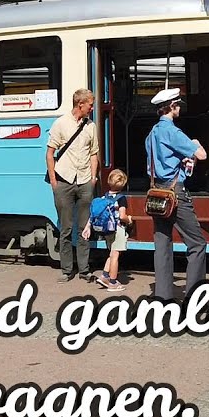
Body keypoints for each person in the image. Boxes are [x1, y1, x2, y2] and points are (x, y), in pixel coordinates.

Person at [145, 87, 208, 303]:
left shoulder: (151, 133)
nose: (180, 107)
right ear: (171, 107)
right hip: (175, 193)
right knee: (197, 243)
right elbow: (201, 154)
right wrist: (196, 144)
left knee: (162, 243)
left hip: (156, 193)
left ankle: (162, 296)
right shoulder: (173, 132)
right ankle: (195, 296)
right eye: (178, 105)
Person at [46, 88, 99, 283]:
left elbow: (94, 153)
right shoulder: (60, 123)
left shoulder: (90, 126)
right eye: (90, 105)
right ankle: (67, 270)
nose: (93, 108)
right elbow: (50, 153)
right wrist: (53, 181)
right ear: (80, 105)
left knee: (85, 228)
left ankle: (84, 270)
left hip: (85, 180)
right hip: (64, 181)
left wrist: (93, 178)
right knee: (66, 229)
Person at [83, 168, 131, 292]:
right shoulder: (121, 199)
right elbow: (122, 216)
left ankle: (104, 276)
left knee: (112, 253)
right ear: (123, 183)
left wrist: (88, 227)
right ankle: (113, 282)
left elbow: (94, 214)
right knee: (115, 256)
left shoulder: (105, 196)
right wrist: (129, 219)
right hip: (118, 229)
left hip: (107, 231)